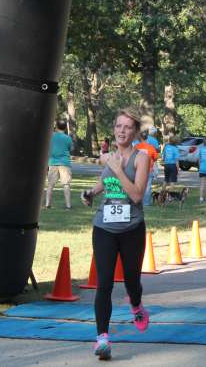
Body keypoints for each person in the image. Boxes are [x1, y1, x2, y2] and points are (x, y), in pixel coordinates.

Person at [80, 108, 150, 361]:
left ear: (135, 132)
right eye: (119, 126)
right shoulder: (108, 157)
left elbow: (137, 195)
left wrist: (119, 170)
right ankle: (102, 339)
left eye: (127, 127)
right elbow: (106, 182)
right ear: (114, 129)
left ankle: (136, 305)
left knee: (132, 281)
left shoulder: (141, 158)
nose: (122, 131)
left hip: (131, 228)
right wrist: (90, 193)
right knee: (105, 283)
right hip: (104, 227)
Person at [45, 119, 73, 209]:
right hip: (65, 163)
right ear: (65, 128)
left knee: (50, 185)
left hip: (52, 162)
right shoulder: (68, 138)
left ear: (56, 127)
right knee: (66, 184)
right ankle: (68, 205)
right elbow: (70, 149)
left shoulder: (50, 136)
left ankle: (48, 204)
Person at [135, 130, 159, 206]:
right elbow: (155, 158)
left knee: (137, 186)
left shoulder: (136, 147)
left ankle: (137, 201)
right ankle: (146, 203)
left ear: (140, 138)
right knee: (147, 187)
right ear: (147, 138)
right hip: (148, 170)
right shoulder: (151, 148)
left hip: (137, 170)